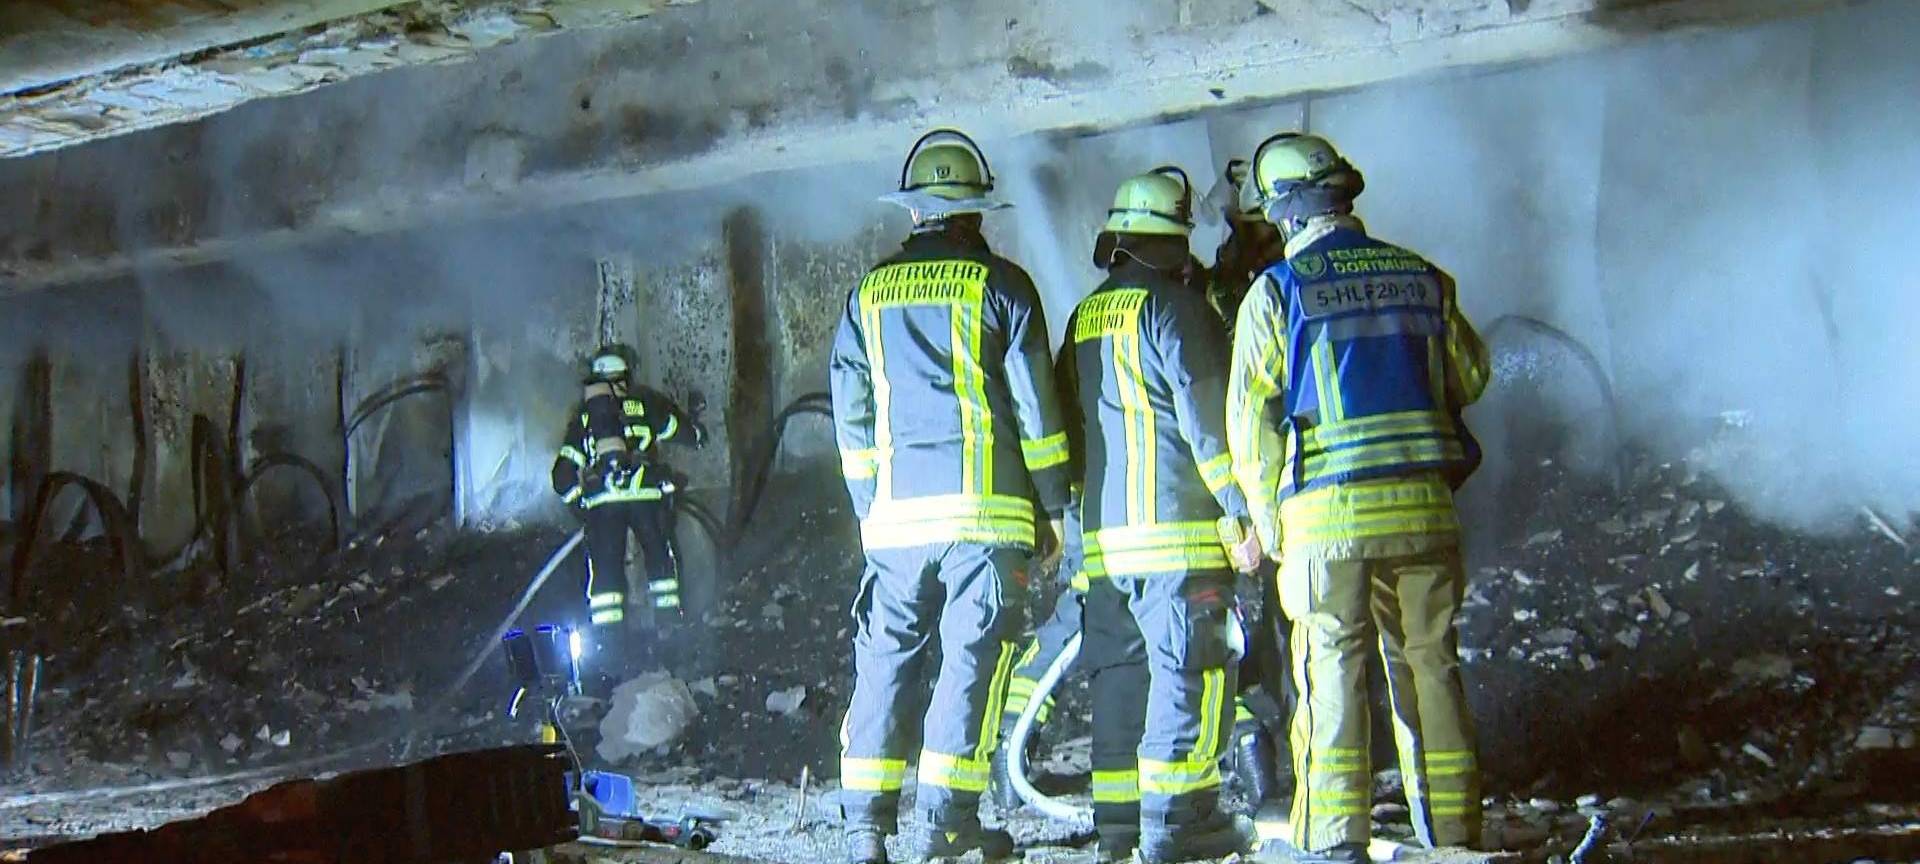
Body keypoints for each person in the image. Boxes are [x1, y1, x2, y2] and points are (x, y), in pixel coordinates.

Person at [1226, 134, 1490, 864]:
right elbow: (1470, 377)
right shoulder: (1423, 278)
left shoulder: (1277, 292)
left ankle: (1336, 842)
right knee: (1431, 666)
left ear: (1282, 213)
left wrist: (1270, 524)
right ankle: (1454, 836)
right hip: (1424, 514)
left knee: (1332, 671)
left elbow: (1251, 426)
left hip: (1325, 521)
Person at [831, 129, 1072, 864]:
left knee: (885, 663)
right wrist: (1055, 506)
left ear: (914, 214)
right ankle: (948, 823)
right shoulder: (1004, 287)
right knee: (972, 663)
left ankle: (864, 830)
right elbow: (1039, 417)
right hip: (986, 520)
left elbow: (851, 410)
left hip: (897, 522)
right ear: (975, 213)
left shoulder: (868, 294)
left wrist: (870, 500)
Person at [1057, 167, 1263, 864]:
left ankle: (1120, 828)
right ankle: (1181, 823)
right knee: (1193, 673)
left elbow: (1066, 424)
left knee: (1120, 679)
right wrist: (1240, 511)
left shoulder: (1085, 315)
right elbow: (1210, 425)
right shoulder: (1179, 311)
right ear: (1174, 242)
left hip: (1106, 547)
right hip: (1177, 538)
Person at [549, 345, 704, 672]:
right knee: (661, 561)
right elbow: (682, 432)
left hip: (603, 504)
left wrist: (580, 503)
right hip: (646, 496)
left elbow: (562, 474)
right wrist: (698, 430)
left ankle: (607, 645)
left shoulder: (586, 416)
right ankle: (669, 629)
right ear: (625, 377)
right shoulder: (646, 403)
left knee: (605, 573)